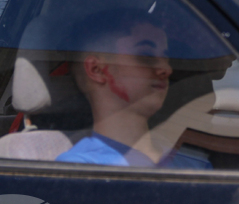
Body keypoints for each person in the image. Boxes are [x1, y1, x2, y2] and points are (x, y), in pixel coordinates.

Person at [56, 10, 212, 168]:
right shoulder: (80, 169)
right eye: (146, 55)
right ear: (97, 70)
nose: (167, 69)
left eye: (166, 57)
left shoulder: (195, 164)